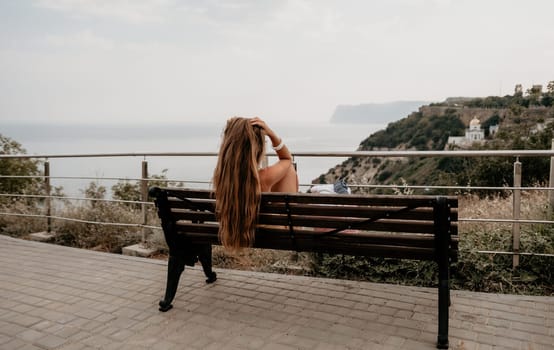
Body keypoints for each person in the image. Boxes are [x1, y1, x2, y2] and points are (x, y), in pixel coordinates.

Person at [212, 116, 298, 250]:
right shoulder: (264, 177)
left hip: (238, 234)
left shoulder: (221, 177)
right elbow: (287, 158)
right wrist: (271, 133)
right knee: (289, 170)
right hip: (273, 235)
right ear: (256, 148)